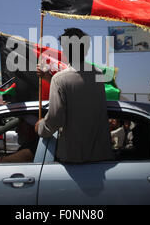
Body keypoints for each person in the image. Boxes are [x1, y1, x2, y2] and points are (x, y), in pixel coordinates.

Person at [35, 28, 114, 163]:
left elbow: (55, 120)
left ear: (65, 50)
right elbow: (79, 89)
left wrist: (40, 126)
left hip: (74, 160)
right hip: (102, 158)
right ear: (87, 49)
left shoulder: (60, 80)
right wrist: (50, 78)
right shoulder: (99, 74)